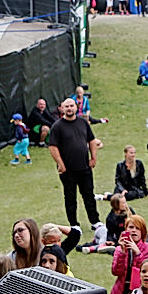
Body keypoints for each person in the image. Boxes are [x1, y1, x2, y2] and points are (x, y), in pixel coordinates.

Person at [48, 97, 101, 230]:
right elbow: (52, 147)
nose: (69, 108)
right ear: (62, 108)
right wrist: (60, 163)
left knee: (89, 194)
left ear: (76, 107)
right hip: (67, 170)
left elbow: (92, 141)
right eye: (67, 106)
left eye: (72, 106)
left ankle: (95, 222)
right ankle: (74, 224)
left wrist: (93, 157)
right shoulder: (57, 126)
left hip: (84, 166)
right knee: (70, 197)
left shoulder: (83, 123)